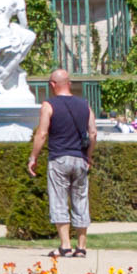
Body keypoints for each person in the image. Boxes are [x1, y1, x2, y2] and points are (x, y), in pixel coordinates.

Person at [28, 70, 95, 261]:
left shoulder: (49, 105)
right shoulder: (85, 105)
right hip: (80, 158)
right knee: (81, 200)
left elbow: (41, 134)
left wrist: (33, 157)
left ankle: (65, 245)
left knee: (59, 200)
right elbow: (93, 134)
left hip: (58, 157)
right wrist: (88, 156)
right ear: (70, 83)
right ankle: (81, 247)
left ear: (52, 84)